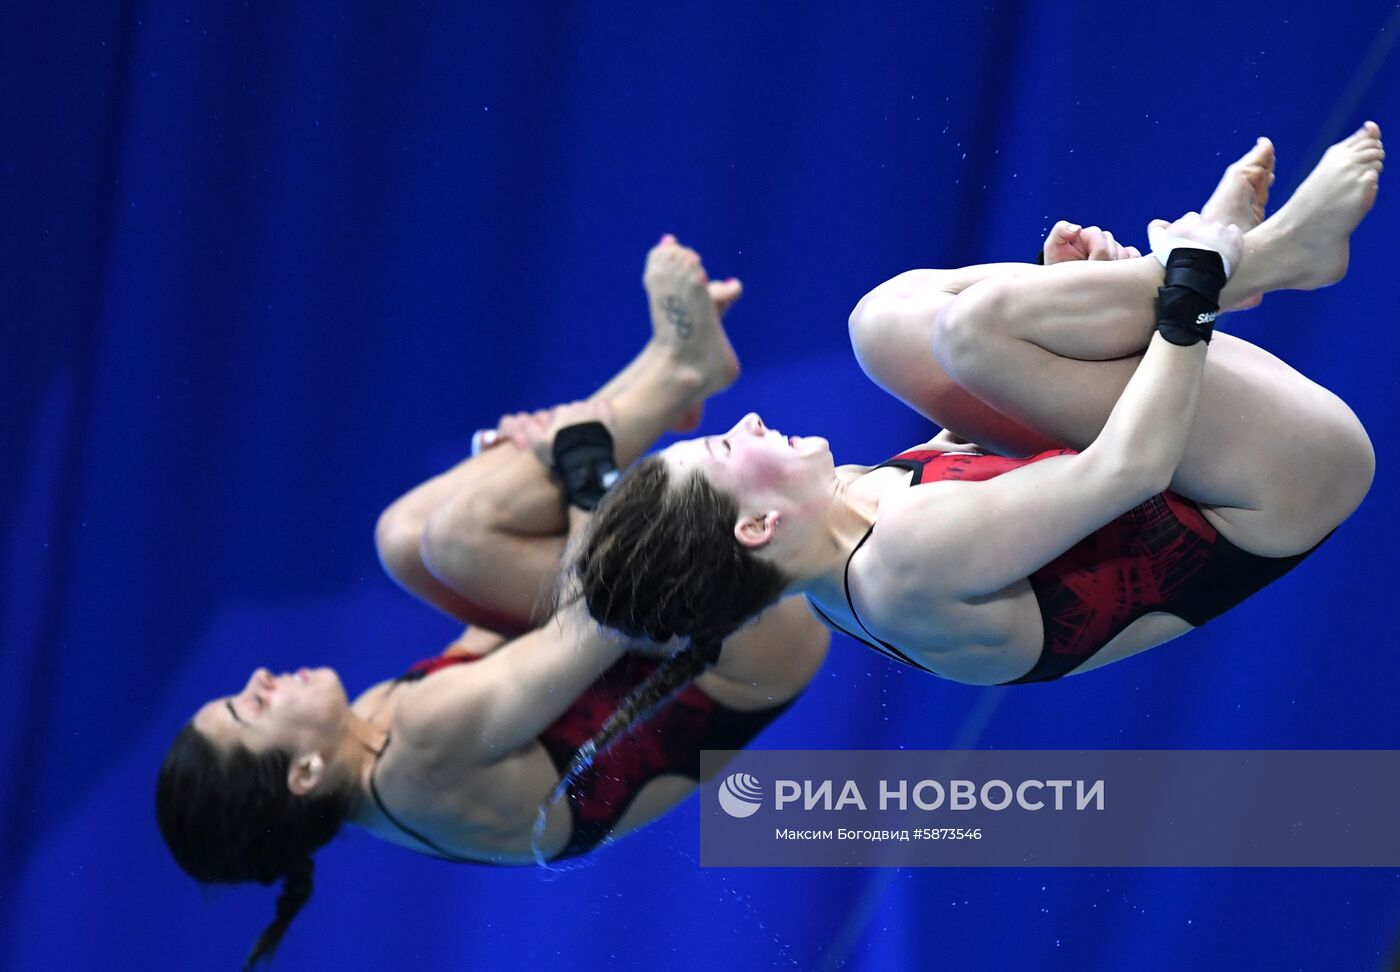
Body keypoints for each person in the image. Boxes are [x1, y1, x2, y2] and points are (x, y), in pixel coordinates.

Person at [154, 242, 830, 970]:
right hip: (739, 654)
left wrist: (522, 474)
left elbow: (526, 613)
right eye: (249, 710)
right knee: (457, 538)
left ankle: (674, 370)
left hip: (673, 632)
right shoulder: (419, 744)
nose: (257, 678)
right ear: (303, 774)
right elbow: (602, 614)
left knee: (410, 542)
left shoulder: (369, 747)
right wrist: (576, 469)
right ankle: (674, 370)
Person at [574, 123, 1382, 694]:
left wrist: (1059, 300)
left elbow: (977, 447)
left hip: (1188, 463)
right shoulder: (905, 562)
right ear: (756, 527)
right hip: (1279, 486)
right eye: (724, 450)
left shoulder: (831, 524)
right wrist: (1190, 293)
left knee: (882, 329)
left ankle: (1205, 269)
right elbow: (1131, 468)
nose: (746, 422)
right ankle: (1256, 257)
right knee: (980, 333)